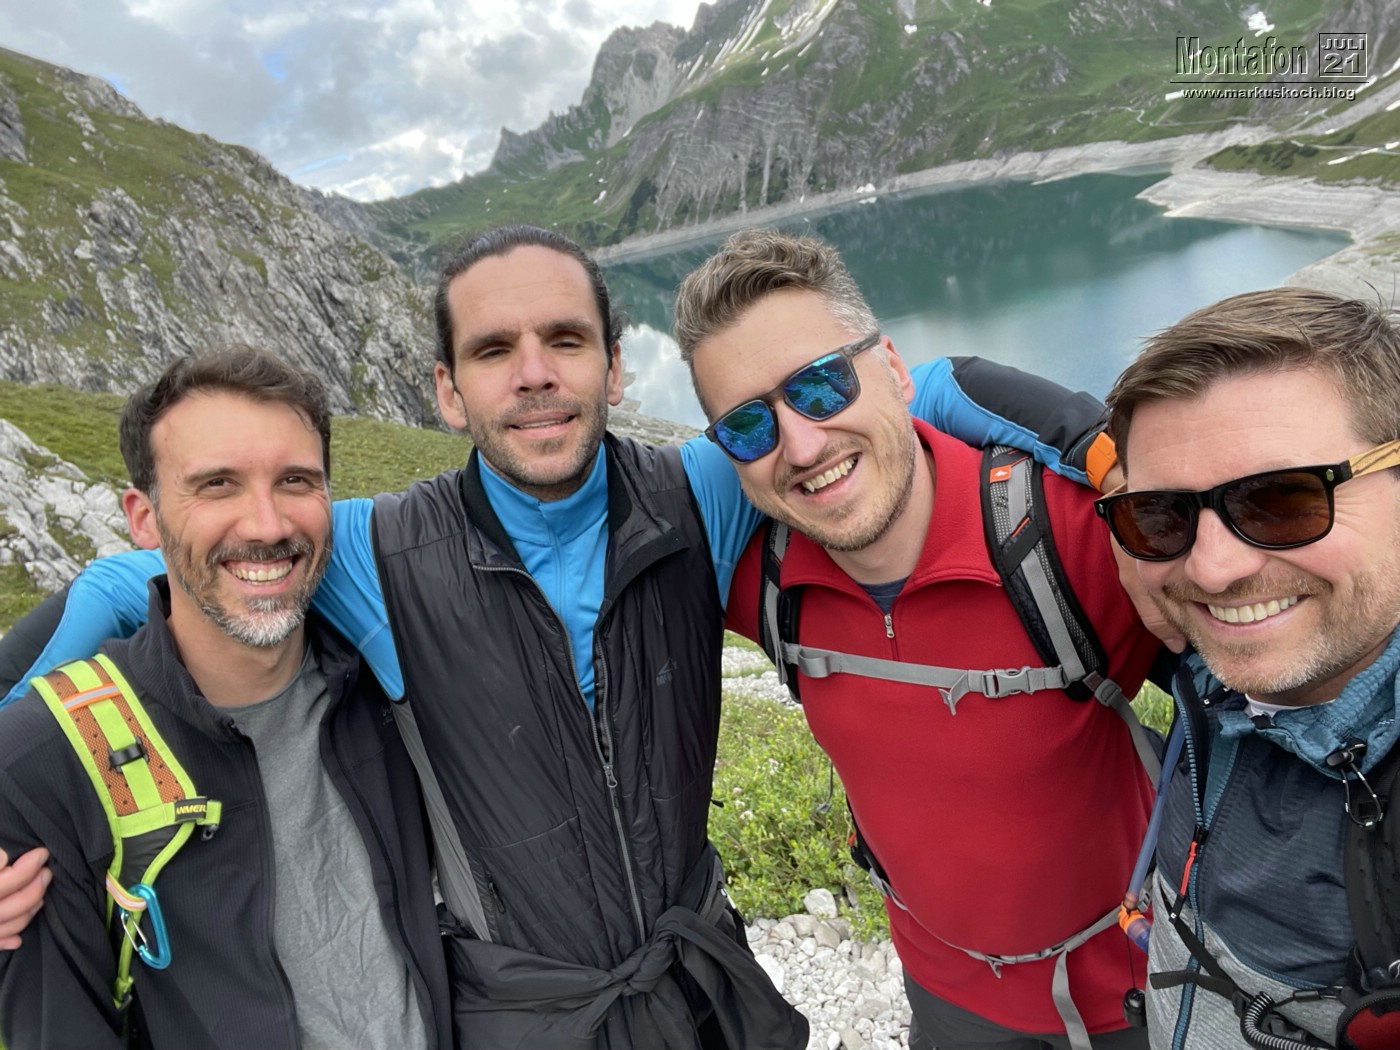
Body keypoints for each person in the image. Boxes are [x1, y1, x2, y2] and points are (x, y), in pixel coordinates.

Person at [0, 225, 1114, 1049]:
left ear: (613, 368)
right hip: (521, 1020)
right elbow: (126, 582)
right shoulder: (371, 550)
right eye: (494, 350)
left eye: (566, 340)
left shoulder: (703, 489)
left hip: (704, 992)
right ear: (448, 392)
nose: (534, 373)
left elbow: (915, 386)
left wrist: (1112, 462)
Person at [673, 228, 1164, 1050]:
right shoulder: (761, 584)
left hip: (1136, 992)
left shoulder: (1069, 534)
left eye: (822, 385)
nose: (802, 445)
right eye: (750, 427)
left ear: (896, 371)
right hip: (943, 996)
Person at [0, 348, 451, 1050]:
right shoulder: (45, 761)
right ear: (144, 519)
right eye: (217, 486)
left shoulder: (391, 684)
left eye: (295, 480)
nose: (267, 525)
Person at [1094, 288, 1400, 1049]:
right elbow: (946, 387)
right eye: (1160, 514)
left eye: (1283, 499)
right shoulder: (1207, 664)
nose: (1213, 569)